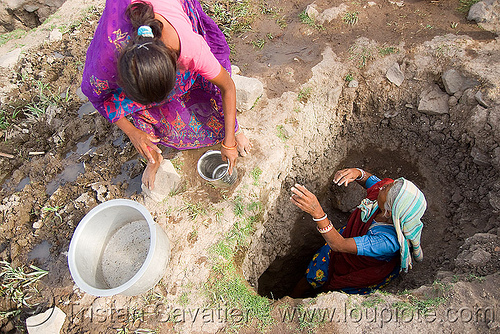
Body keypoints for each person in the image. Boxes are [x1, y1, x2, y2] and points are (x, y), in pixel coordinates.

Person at [81, 0, 251, 190]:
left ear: (176, 64)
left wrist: (231, 139)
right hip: (122, 20)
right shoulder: (106, 61)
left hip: (169, 16)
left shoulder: (190, 48)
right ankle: (153, 154)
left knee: (211, 83)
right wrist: (133, 132)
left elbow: (226, 86)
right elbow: (98, 98)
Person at [290, 167, 427, 296]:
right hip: (346, 239)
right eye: (391, 184)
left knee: (335, 288)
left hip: (354, 264)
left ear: (388, 211)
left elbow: (339, 245)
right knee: (312, 274)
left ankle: (298, 298)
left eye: (386, 190)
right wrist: (357, 173)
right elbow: (372, 182)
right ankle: (293, 296)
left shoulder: (387, 241)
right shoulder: (387, 198)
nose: (384, 185)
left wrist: (318, 213)